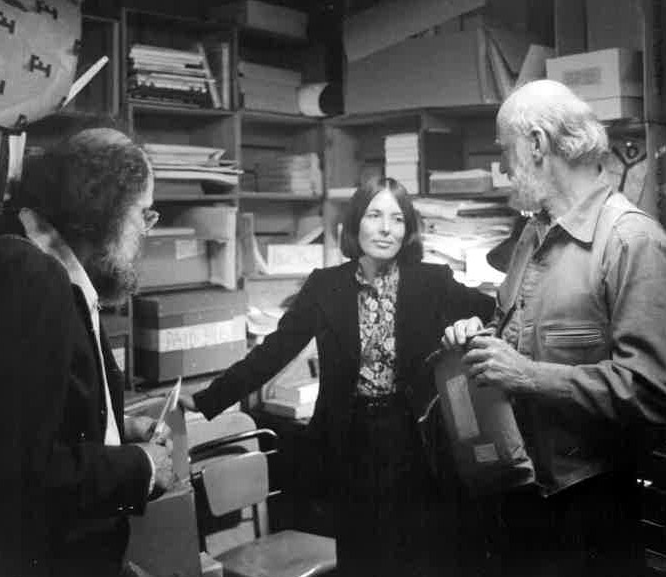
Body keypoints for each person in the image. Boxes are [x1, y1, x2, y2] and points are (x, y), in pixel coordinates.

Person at [182, 176, 497, 577]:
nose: (386, 228)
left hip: (415, 439)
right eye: (375, 215)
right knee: (361, 556)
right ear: (354, 225)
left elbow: (495, 311)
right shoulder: (325, 286)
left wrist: (471, 323)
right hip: (351, 440)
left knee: (417, 554)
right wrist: (208, 399)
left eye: (398, 219)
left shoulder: (432, 282)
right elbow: (273, 351)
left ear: (408, 229)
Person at [442, 79, 666, 577]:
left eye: (504, 151)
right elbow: (511, 331)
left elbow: (663, 391)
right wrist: (480, 336)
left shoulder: (631, 241)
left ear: (536, 145)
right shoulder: (533, 234)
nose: (503, 168)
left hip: (589, 509)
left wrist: (525, 375)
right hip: (521, 491)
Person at [0, 127, 176, 577]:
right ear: (104, 208)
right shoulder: (29, 278)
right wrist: (140, 467)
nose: (145, 231)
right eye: (143, 214)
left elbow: (13, 421)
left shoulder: (27, 264)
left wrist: (111, 423)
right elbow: (17, 476)